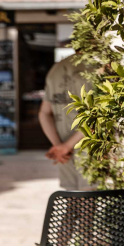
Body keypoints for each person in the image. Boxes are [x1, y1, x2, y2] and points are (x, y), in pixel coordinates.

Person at [39, 53, 91, 189]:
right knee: (91, 198)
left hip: (64, 151)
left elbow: (44, 113)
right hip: (91, 149)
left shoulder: (56, 69)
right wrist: (65, 147)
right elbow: (97, 117)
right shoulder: (97, 67)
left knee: (71, 197)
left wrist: (59, 146)